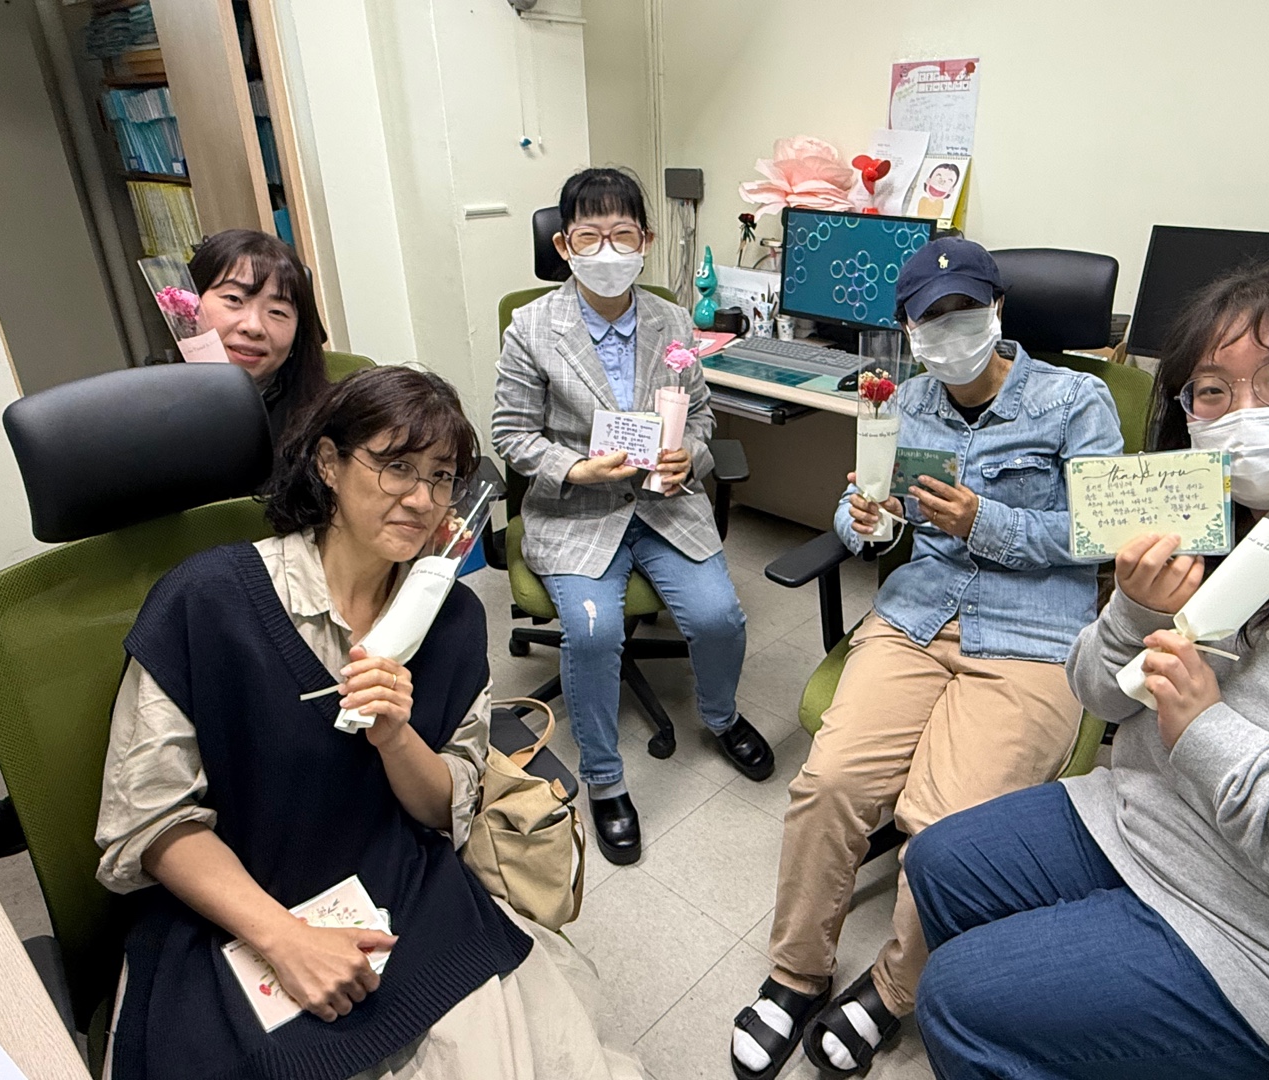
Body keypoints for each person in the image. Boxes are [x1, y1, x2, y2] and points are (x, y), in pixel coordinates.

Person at [906, 258, 1269, 1080]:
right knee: (935, 862)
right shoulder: (1214, 510)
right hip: (1155, 813)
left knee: (957, 997)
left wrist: (1205, 730)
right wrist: (1135, 611)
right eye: (1213, 391)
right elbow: (1097, 693)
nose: (1246, 414)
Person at [96, 367, 644, 1080]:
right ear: (328, 463)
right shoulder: (207, 602)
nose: (422, 499)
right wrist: (285, 938)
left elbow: (447, 807)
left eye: (442, 477)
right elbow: (150, 821)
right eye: (396, 466)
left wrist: (394, 736)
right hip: (240, 909)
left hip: (399, 885)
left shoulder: (452, 619)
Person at [731, 237, 1124, 1080]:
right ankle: (797, 971)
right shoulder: (901, 402)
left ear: (997, 309)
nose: (949, 330)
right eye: (929, 319)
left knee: (942, 828)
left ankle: (891, 991)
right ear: (908, 332)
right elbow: (867, 511)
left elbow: (1103, 533)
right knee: (830, 781)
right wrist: (863, 523)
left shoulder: (1075, 400)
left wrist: (986, 522)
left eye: (963, 311)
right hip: (917, 618)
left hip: (1030, 638)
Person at [491, 167, 772, 867]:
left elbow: (701, 417)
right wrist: (575, 468)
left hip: (665, 504)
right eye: (591, 236)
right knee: (594, 632)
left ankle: (721, 717)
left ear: (645, 241)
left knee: (719, 617)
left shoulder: (672, 321)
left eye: (623, 234)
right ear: (564, 245)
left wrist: (690, 457)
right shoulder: (533, 328)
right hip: (578, 511)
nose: (609, 250)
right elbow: (511, 435)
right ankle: (605, 779)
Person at [190, 228, 330, 442]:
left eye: (277, 312)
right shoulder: (149, 414)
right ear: (188, 304)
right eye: (234, 299)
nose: (254, 327)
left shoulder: (328, 425)